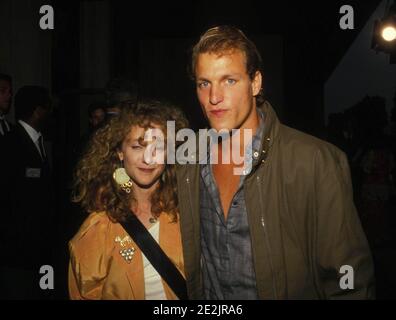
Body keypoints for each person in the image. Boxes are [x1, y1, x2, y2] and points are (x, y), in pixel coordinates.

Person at [175, 25, 375, 299]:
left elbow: (349, 279)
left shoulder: (314, 161)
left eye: (229, 81)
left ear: (255, 82)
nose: (214, 97)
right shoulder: (189, 160)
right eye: (204, 83)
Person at [69, 99, 188, 300]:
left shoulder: (188, 213)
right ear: (120, 152)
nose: (148, 159)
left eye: (158, 148)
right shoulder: (100, 227)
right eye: (137, 147)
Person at [0, 85, 53, 299]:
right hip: (17, 254)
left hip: (39, 251)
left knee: (42, 293)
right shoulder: (9, 144)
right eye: (47, 110)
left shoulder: (39, 143)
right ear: (38, 111)